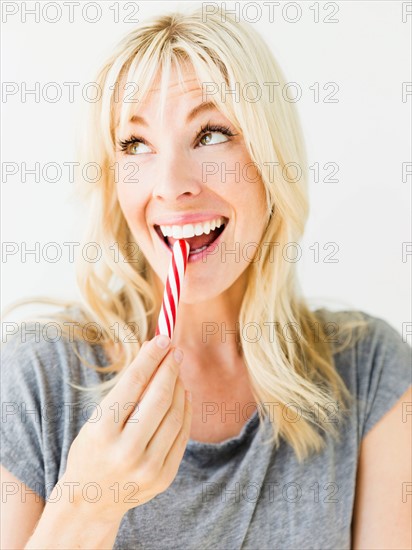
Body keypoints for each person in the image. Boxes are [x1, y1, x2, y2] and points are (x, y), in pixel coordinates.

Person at [1, 6, 411, 550]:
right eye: (135, 144)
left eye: (212, 134)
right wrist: (88, 505)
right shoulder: (35, 381)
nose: (171, 186)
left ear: (272, 159)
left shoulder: (369, 373)